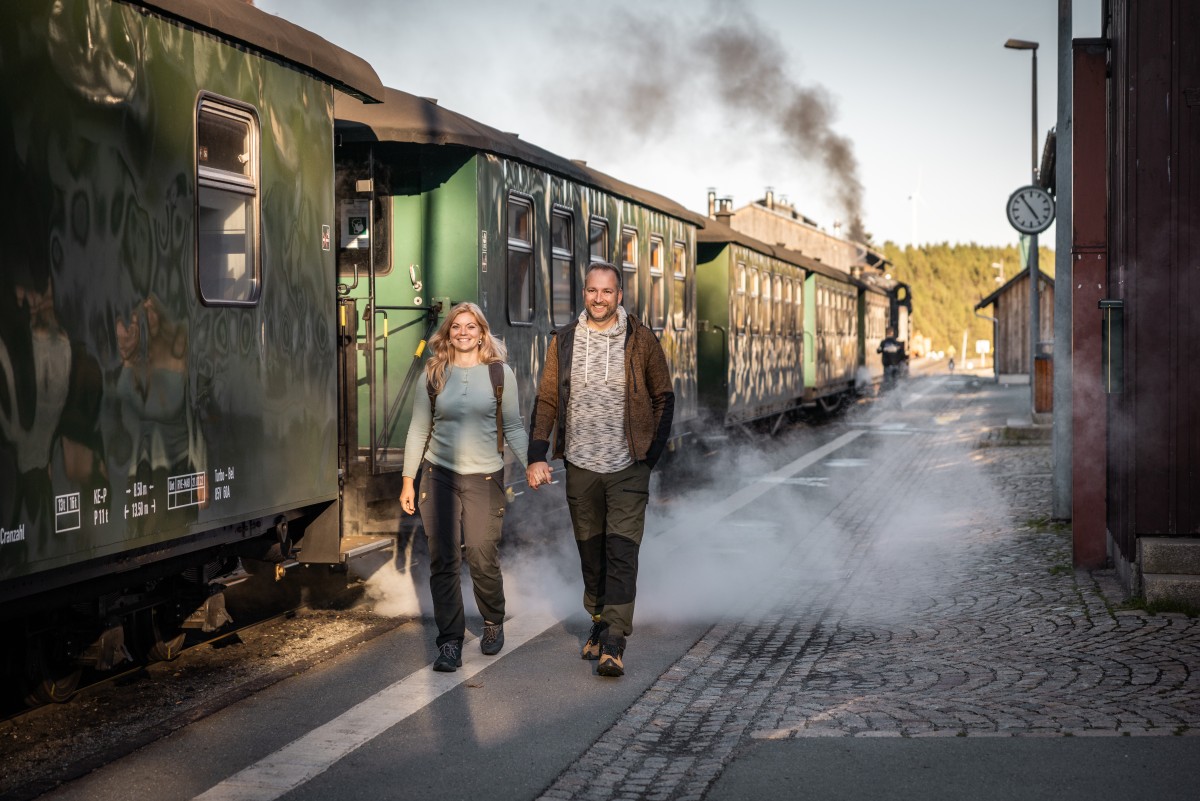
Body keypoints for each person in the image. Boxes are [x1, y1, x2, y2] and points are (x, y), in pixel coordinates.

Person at [526, 262, 675, 678]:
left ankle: (614, 640)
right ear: (584, 293)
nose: (599, 298)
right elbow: (547, 399)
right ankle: (598, 618)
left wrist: (650, 455)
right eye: (592, 290)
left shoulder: (641, 339)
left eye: (607, 292)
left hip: (628, 465)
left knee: (622, 552)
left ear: (619, 296)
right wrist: (537, 454)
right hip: (581, 464)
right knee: (591, 554)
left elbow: (664, 397)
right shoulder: (564, 340)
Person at [400, 302, 529, 672]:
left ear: (482, 333)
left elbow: (514, 426)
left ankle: (492, 620)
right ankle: (450, 642)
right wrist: (408, 481)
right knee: (443, 560)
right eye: (456, 326)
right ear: (448, 333)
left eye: (471, 326)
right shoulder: (433, 372)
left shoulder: (500, 373)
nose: (463, 332)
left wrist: (533, 464)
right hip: (438, 475)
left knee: (480, 554)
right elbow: (418, 429)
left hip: (485, 477)